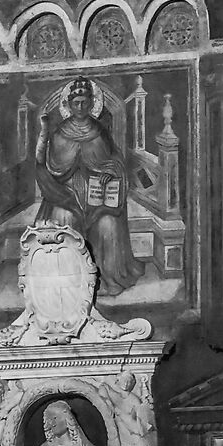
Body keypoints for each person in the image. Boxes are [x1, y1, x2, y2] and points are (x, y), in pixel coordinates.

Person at [35, 77, 141, 296]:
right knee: (63, 221)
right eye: (77, 103)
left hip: (98, 199)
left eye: (85, 102)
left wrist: (109, 171)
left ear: (93, 103)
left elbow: (116, 161)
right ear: (69, 105)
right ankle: (68, 283)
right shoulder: (59, 134)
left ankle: (106, 279)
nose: (81, 107)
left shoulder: (100, 132)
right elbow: (49, 168)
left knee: (108, 226)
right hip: (68, 195)